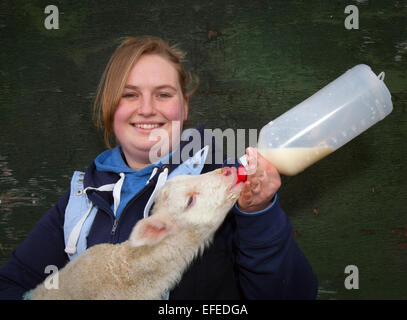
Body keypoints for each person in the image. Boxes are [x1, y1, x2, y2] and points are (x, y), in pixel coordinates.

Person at [0, 36, 317, 300]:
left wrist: (258, 214)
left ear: (184, 105)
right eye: (129, 95)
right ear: (111, 108)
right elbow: (11, 285)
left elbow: (294, 295)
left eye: (163, 94)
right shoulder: (83, 197)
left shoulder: (228, 185)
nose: (147, 108)